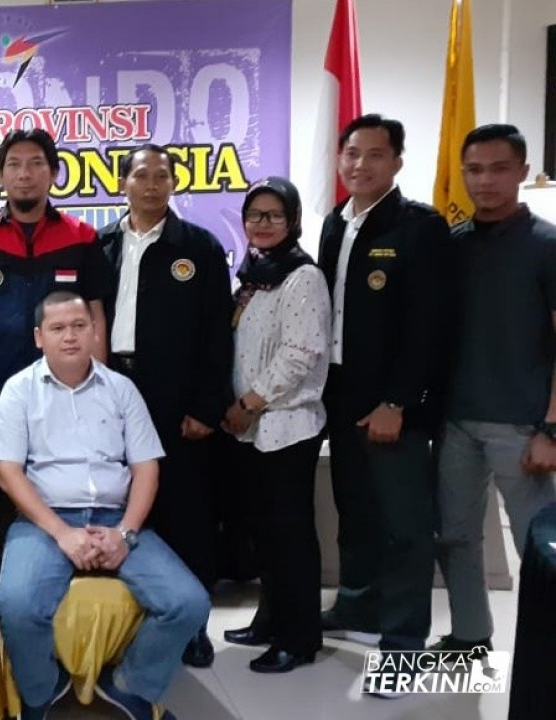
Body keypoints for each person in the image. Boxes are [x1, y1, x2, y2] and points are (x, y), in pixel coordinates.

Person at [0, 291, 208, 720]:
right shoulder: (18, 391)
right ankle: (39, 693)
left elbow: (147, 469)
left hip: (115, 517)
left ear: (93, 331)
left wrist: (125, 534)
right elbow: (7, 473)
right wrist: (62, 533)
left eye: (78, 326)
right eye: (57, 328)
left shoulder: (122, 389)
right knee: (16, 603)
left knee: (189, 602)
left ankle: (131, 685)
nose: (69, 336)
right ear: (39, 337)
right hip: (44, 521)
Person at [317, 115, 449, 667]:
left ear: (396, 162)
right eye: (352, 154)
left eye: (374, 155)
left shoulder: (419, 227)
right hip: (341, 393)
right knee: (356, 512)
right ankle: (357, 607)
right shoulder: (333, 223)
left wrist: (398, 401)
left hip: (392, 402)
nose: (360, 165)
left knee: (403, 527)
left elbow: (429, 327)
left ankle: (403, 643)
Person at [96, 143, 235, 667]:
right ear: (123, 182)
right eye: (142, 175)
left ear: (174, 185)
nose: (152, 185)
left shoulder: (197, 246)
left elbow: (217, 335)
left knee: (187, 511)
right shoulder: (102, 243)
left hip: (176, 395)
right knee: (126, 507)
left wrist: (206, 405)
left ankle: (194, 626)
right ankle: (126, 624)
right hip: (112, 387)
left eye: (162, 176)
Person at [436, 124, 556, 651]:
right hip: (456, 421)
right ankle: (470, 636)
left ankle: (544, 653)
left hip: (523, 425)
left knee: (540, 547)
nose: (485, 180)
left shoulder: (547, 245)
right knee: (456, 537)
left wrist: (551, 428)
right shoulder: (452, 245)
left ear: (523, 173)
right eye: (475, 169)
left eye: (499, 168)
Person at [218, 178, 330, 673]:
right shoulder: (254, 273)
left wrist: (250, 401)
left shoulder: (302, 276)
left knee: (289, 536)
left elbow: (300, 354)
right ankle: (270, 618)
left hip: (286, 424)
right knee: (264, 532)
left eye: (273, 216)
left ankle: (299, 637)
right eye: (254, 215)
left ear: (293, 221)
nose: (262, 224)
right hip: (251, 427)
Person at [0, 129, 114, 390]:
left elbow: (95, 317)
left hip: (66, 387)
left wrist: (100, 386)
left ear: (55, 173)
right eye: (14, 165)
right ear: (0, 176)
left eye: (36, 164)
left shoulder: (82, 238)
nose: (24, 174)